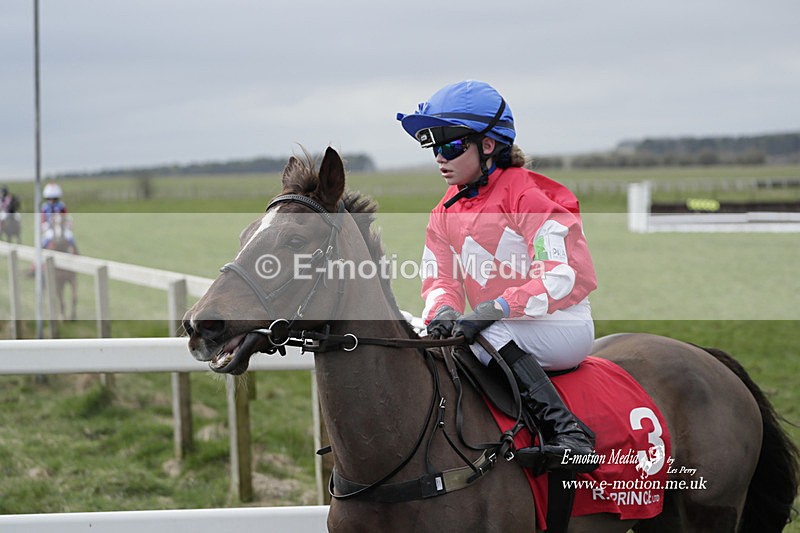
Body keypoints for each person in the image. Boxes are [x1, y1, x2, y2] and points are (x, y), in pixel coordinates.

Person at [397, 80, 599, 472]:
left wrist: (495, 307)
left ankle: (571, 433)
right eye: (434, 147)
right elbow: (442, 279)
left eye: (451, 145)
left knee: (487, 332)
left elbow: (559, 274)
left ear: (488, 145)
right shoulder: (444, 211)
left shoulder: (528, 196)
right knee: (412, 327)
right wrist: (441, 311)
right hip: (501, 324)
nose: (440, 157)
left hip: (560, 324)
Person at [40, 182, 77, 252]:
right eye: (49, 198)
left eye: (54, 199)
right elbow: (42, 219)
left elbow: (67, 216)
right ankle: (37, 260)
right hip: (49, 229)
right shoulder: (44, 207)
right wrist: (44, 226)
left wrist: (69, 224)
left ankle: (77, 255)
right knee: (44, 240)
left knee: (70, 237)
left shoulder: (61, 206)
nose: (52, 201)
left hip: (62, 228)